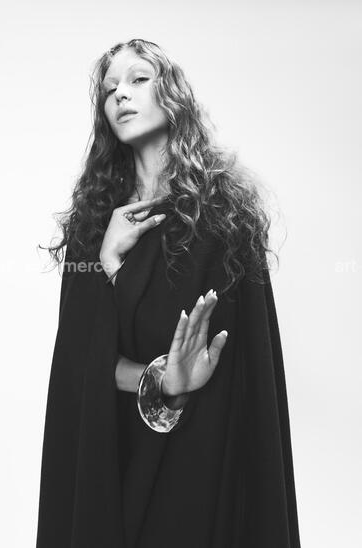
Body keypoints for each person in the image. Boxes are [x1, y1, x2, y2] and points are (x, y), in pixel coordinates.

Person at [36, 38, 301, 548]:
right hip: (113, 453)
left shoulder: (226, 216)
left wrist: (180, 380)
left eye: (138, 79)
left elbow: (244, 363)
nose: (120, 94)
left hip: (205, 452)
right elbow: (77, 363)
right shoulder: (93, 226)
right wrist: (108, 264)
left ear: (172, 95)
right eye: (109, 88)